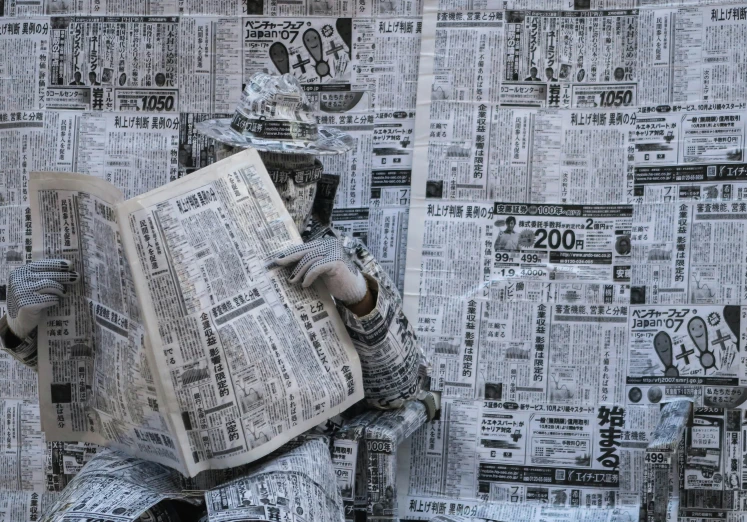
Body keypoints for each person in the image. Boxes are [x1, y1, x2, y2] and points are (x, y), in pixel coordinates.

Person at [4, 72, 437, 521]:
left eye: (302, 175)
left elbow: (401, 390)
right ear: (228, 166)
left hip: (280, 461)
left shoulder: (339, 254)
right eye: (268, 174)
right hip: (152, 460)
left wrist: (354, 292)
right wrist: (21, 321)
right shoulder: (156, 246)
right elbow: (91, 371)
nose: (288, 192)